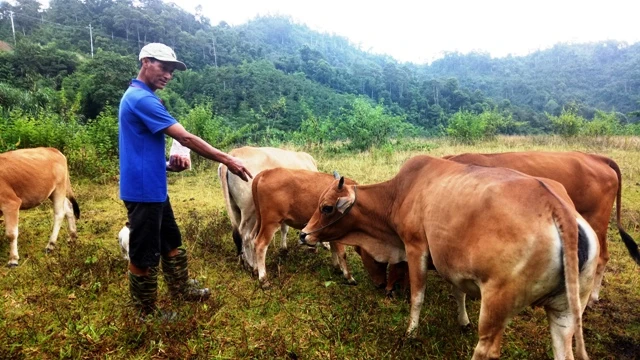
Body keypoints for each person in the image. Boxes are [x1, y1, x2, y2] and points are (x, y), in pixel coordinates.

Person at [119, 42, 252, 317]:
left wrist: (168, 165)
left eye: (172, 71)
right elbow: (186, 137)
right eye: (163, 68)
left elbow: (141, 148)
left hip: (153, 187)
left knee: (171, 240)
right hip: (143, 191)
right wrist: (228, 159)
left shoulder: (144, 97)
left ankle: (181, 288)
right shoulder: (141, 99)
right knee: (143, 253)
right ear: (145, 61)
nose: (168, 75)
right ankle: (145, 313)